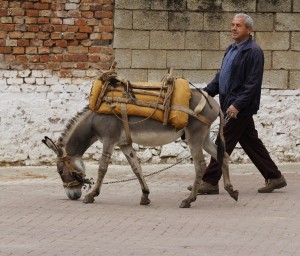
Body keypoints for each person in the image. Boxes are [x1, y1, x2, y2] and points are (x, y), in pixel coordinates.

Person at [188, 13, 287, 194]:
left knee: (222, 142)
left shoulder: (254, 52)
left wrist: (237, 105)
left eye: (238, 26)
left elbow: (252, 83)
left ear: (249, 30)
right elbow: (222, 76)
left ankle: (210, 182)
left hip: (238, 108)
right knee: (251, 142)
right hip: (228, 104)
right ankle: (275, 176)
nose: (233, 28)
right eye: (232, 25)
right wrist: (206, 92)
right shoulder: (232, 49)